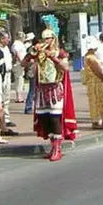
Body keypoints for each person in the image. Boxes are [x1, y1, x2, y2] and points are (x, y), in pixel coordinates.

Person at [31, 15, 77, 161]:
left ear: (53, 39)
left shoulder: (60, 52)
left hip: (55, 88)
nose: (45, 42)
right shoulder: (40, 53)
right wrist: (33, 57)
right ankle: (52, 146)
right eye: (44, 39)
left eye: (48, 39)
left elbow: (65, 68)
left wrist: (52, 57)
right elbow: (30, 69)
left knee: (55, 117)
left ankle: (58, 147)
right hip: (42, 89)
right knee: (45, 119)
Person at [83, 36, 103, 129]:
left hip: (96, 83)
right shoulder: (90, 58)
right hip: (94, 83)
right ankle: (96, 122)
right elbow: (97, 70)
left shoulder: (89, 56)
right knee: (96, 102)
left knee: (102, 100)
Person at [0, 31, 18, 135]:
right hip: (2, 74)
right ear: (1, 39)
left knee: (6, 98)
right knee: (0, 99)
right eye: (6, 38)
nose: (8, 40)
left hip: (8, 74)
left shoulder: (7, 49)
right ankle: (0, 120)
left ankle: (6, 118)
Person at [11, 31, 27, 103]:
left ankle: (20, 96)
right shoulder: (16, 44)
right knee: (19, 80)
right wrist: (22, 62)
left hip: (21, 63)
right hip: (18, 64)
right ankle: (18, 97)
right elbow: (18, 53)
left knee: (21, 80)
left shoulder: (20, 44)